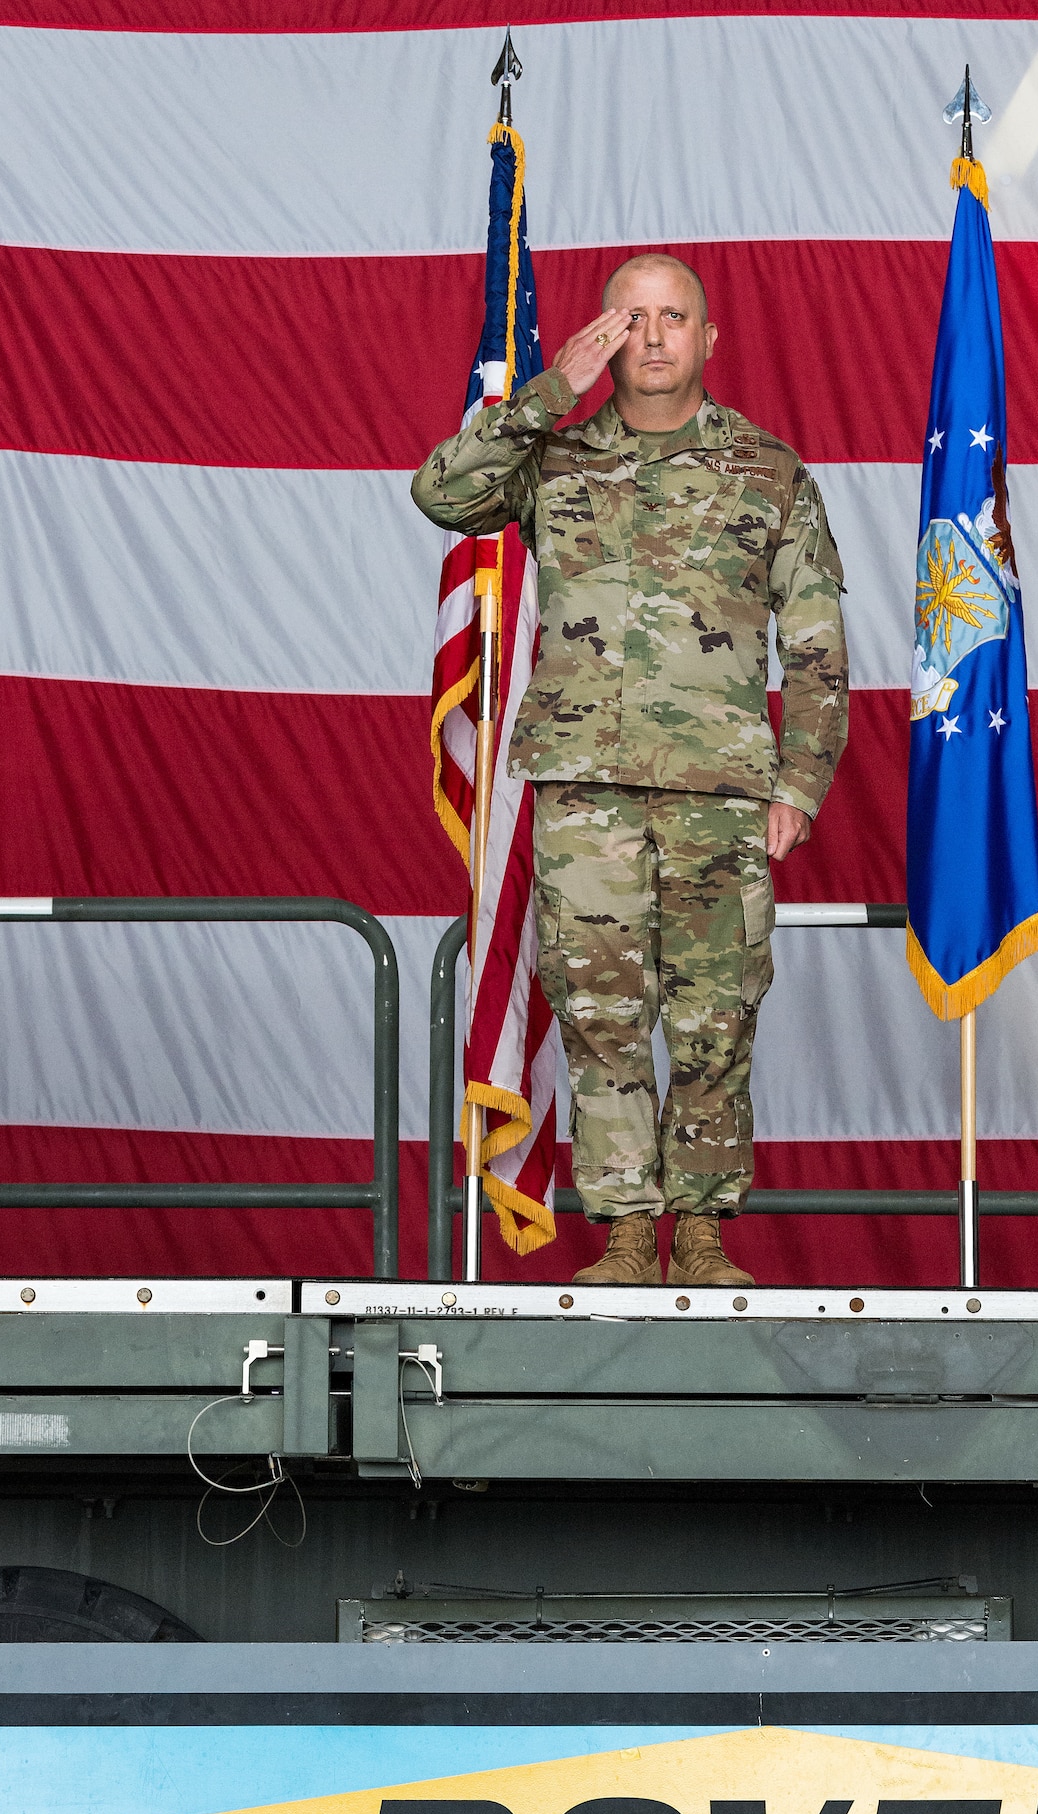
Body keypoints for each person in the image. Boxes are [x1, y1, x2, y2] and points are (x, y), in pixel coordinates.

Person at [413, 254, 848, 1288]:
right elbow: (441, 492)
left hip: (721, 798)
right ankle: (619, 1236)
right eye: (630, 318)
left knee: (714, 1019)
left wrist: (799, 783)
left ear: (708, 340)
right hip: (585, 794)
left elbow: (820, 646)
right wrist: (548, 390)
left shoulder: (767, 470)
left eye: (672, 317)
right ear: (604, 336)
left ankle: (699, 1234)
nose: (652, 337)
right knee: (599, 1018)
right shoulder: (551, 458)